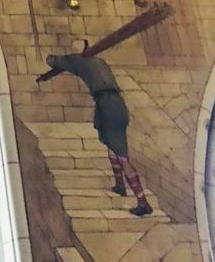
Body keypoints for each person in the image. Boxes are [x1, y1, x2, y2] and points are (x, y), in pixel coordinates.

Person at [42, 47, 152, 218]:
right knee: (112, 146)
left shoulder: (79, 60)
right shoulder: (101, 62)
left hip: (106, 106)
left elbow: (53, 60)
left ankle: (142, 201)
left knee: (122, 156)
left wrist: (56, 60)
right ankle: (120, 185)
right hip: (117, 105)